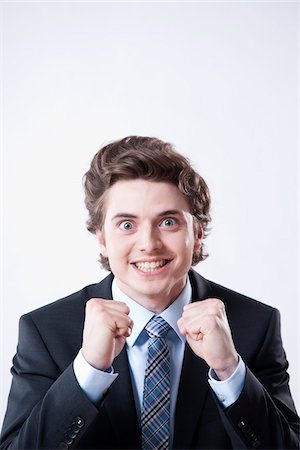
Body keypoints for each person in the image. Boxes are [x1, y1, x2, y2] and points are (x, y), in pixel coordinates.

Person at [1, 136, 299, 450]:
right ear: (102, 238)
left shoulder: (256, 324)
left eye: (168, 222)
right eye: (127, 225)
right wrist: (88, 370)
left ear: (196, 234)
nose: (149, 243)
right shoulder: (46, 331)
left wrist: (229, 371)